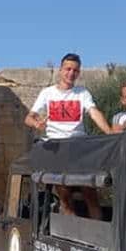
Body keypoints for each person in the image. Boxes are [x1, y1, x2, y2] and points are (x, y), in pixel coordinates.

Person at [25, 52, 113, 217]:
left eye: (75, 70)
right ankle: (68, 231)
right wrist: (37, 124)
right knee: (64, 197)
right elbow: (28, 118)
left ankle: (96, 231)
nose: (71, 73)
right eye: (68, 69)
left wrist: (109, 133)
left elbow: (94, 112)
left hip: (79, 148)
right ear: (60, 70)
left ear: (78, 73)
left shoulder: (82, 93)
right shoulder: (47, 93)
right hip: (57, 149)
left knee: (90, 194)